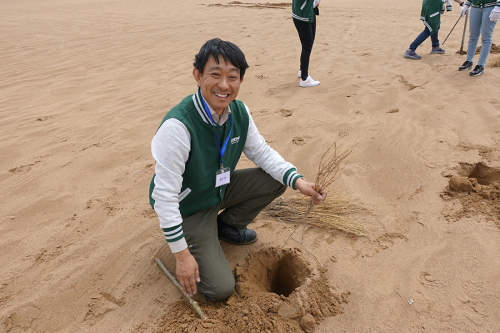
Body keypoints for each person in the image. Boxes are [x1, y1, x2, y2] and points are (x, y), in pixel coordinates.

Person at [149, 38, 327, 301]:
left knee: (277, 180)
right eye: (215, 75)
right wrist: (181, 255)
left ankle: (225, 227)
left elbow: (262, 153)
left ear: (240, 80)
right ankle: (193, 238)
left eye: (233, 77)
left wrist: (299, 182)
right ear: (198, 76)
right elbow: (164, 198)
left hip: (218, 189)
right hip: (189, 206)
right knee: (220, 290)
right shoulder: (178, 127)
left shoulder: (239, 112)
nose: (224, 85)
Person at [458, 0, 500, 76]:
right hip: (475, 6)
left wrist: (498, 6)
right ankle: (469, 60)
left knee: (486, 37)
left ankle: (481, 65)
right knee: (472, 36)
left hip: (490, 6)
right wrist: (467, 4)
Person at [292, 0, 321, 87]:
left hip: (309, 11)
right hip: (302, 14)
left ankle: (302, 70)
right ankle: (304, 79)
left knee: (309, 43)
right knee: (307, 46)